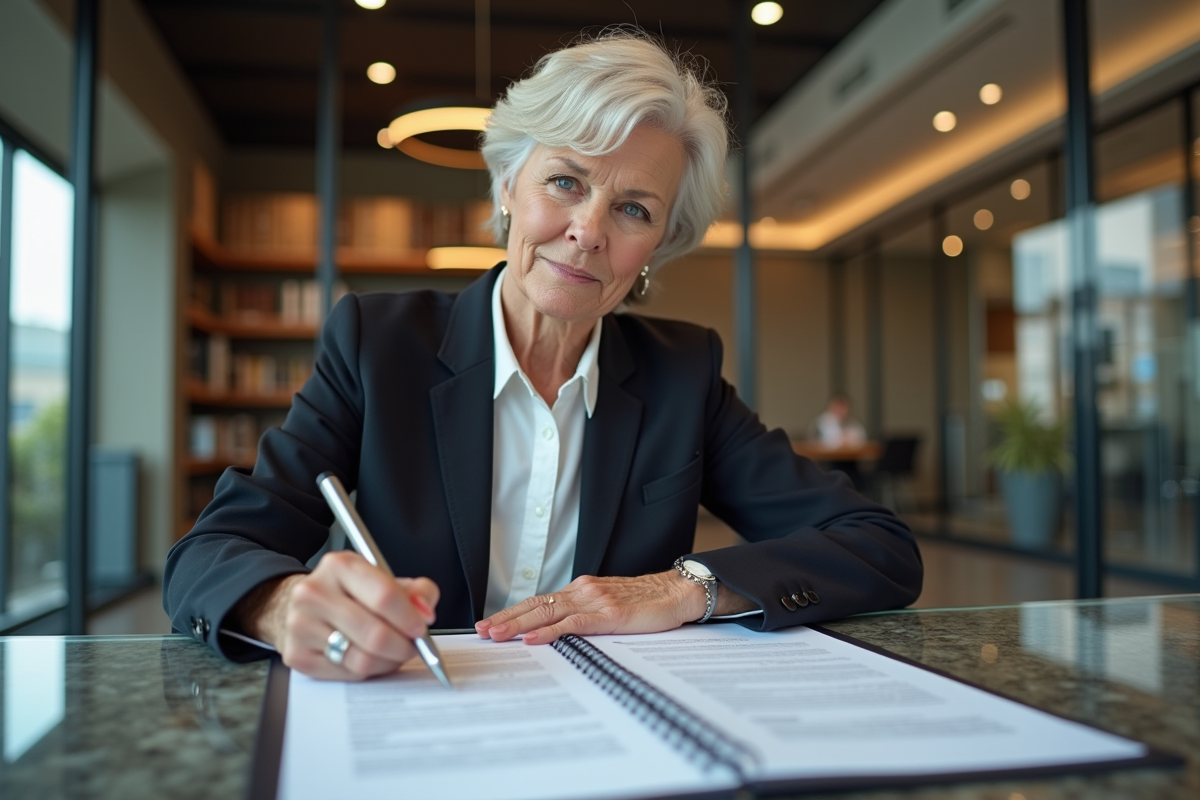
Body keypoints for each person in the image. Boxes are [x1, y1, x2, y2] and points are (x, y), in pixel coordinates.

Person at [163, 31, 922, 681]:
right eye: (565, 181)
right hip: (420, 716)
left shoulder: (681, 375)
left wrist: (687, 587)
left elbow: (879, 548)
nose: (589, 231)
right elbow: (211, 553)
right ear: (505, 188)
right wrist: (283, 604)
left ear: (658, 244)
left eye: (633, 209)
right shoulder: (376, 343)